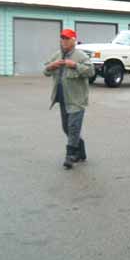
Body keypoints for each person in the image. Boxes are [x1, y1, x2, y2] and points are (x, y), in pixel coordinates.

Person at [44, 29, 94, 169]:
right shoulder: (56, 55)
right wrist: (51, 66)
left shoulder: (81, 56)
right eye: (62, 39)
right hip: (62, 98)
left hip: (76, 99)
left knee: (73, 127)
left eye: (67, 39)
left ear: (73, 40)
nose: (64, 41)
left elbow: (91, 71)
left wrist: (75, 65)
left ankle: (70, 156)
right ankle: (80, 151)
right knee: (66, 127)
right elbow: (45, 71)